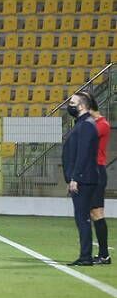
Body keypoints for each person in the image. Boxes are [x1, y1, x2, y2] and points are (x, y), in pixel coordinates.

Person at [62, 91, 101, 266]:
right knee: (82, 218)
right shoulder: (83, 123)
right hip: (82, 177)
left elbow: (83, 154)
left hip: (84, 178)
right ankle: (85, 255)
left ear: (83, 105)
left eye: (73, 102)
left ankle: (85, 256)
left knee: (82, 218)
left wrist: (75, 177)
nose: (70, 105)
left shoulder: (86, 124)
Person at [85, 91, 109, 264]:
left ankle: (104, 254)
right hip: (91, 170)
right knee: (93, 213)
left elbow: (86, 138)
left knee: (97, 212)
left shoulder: (102, 124)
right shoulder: (94, 123)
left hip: (97, 170)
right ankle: (102, 254)